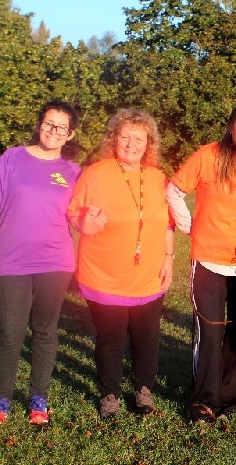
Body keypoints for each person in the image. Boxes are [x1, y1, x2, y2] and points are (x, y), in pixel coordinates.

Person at [0, 101, 81, 426]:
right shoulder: (12, 158)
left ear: (70, 134)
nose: (53, 131)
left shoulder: (72, 172)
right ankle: (1, 400)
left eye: (61, 127)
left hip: (56, 262)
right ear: (40, 124)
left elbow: (79, 217)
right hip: (12, 261)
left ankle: (38, 398)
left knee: (45, 331)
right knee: (10, 332)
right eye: (48, 123)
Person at [167, 101, 236, 424]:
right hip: (208, 260)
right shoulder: (208, 155)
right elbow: (174, 190)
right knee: (210, 331)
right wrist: (191, 226)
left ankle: (231, 399)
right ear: (232, 125)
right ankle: (204, 402)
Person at [67, 109, 175, 419]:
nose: (130, 144)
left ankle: (143, 389)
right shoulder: (95, 173)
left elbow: (167, 224)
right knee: (111, 338)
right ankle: (110, 394)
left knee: (147, 336)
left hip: (149, 276)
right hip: (104, 275)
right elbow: (74, 214)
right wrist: (85, 223)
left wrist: (169, 257)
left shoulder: (156, 178)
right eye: (125, 136)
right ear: (114, 139)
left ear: (148, 143)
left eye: (138, 138)